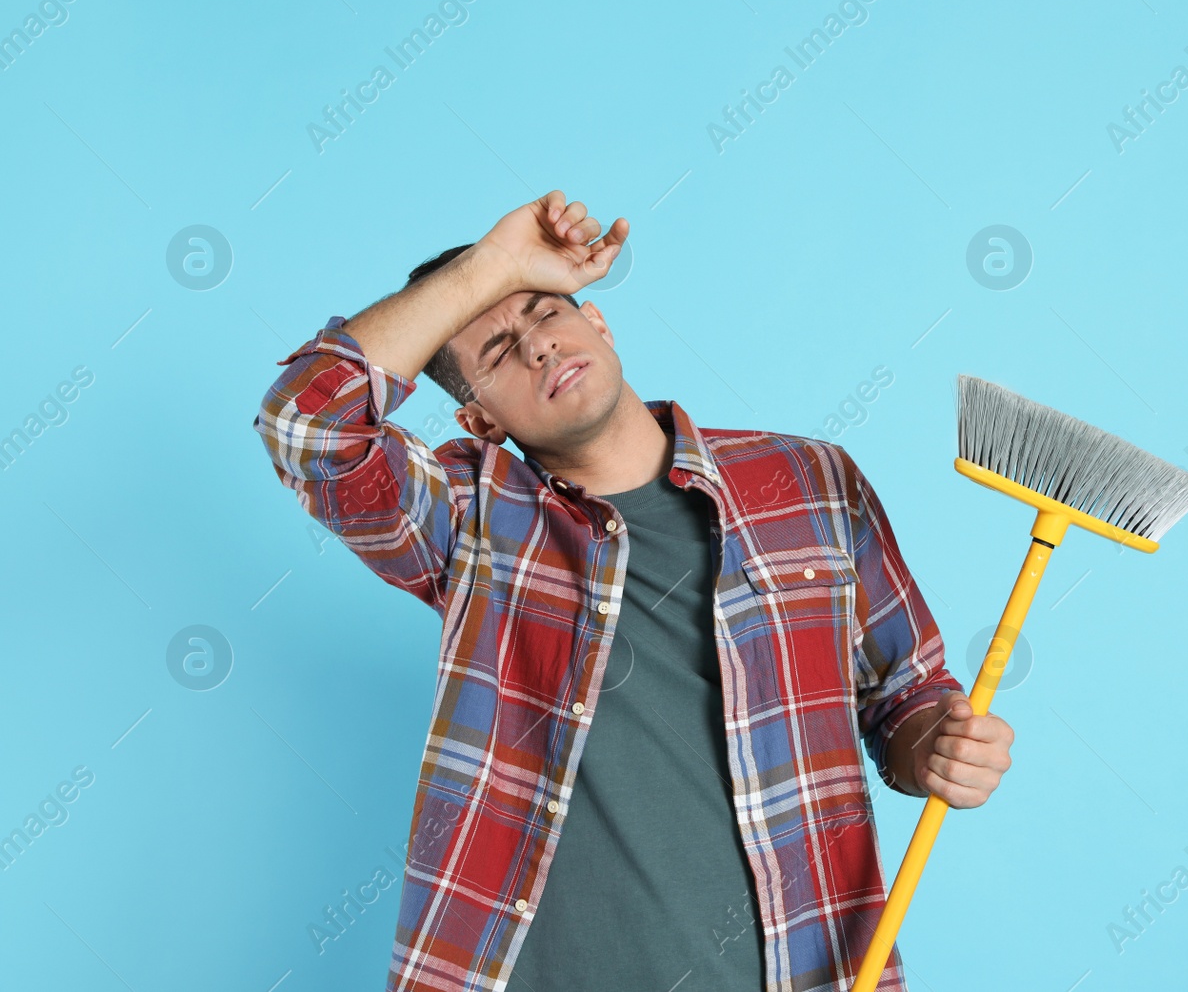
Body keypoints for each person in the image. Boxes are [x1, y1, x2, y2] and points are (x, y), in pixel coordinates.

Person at [253, 191, 1015, 992]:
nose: (539, 348)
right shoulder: (468, 517)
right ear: (478, 419)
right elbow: (307, 427)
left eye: (547, 313)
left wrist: (935, 746)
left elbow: (906, 695)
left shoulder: (810, 481)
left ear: (601, 327)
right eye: (500, 349)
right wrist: (495, 264)